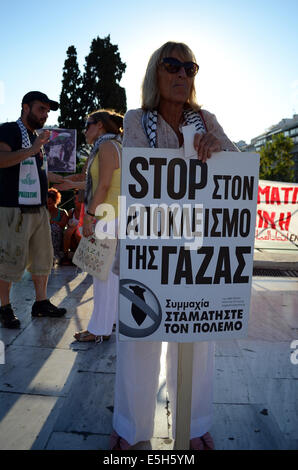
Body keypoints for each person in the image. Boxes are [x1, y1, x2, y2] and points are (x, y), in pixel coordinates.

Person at [110, 42, 239, 450]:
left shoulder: (207, 119)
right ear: (156, 73)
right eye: (173, 65)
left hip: (195, 255)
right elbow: (143, 176)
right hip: (146, 251)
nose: (182, 74)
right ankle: (132, 430)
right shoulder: (135, 120)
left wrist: (216, 149)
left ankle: (194, 423)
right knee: (139, 342)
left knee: (198, 342)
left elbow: (237, 170)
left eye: (190, 67)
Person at [0, 91, 67, 329]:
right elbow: (2, 159)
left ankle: (41, 302)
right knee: (8, 260)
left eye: (48, 111)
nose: (45, 115)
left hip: (38, 208)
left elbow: (35, 170)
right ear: (25, 107)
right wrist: (34, 147)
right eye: (41, 109)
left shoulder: (34, 137)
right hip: (13, 207)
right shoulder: (9, 129)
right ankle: (4, 307)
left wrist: (60, 179)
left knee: (43, 258)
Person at [73, 109, 123, 343]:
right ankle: (108, 322)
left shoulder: (106, 147)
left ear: (100, 125)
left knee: (101, 275)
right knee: (111, 276)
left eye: (88, 124)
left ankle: (98, 329)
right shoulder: (118, 146)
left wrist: (90, 216)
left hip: (106, 215)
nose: (85, 129)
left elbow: (102, 186)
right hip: (116, 215)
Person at [47, 187, 69, 264]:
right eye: (47, 203)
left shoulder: (63, 213)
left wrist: (52, 222)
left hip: (58, 241)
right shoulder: (43, 213)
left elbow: (62, 225)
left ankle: (55, 255)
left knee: (54, 228)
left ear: (55, 201)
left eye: (50, 203)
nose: (48, 205)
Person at [62, 191, 82, 264]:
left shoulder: (86, 212)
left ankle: (80, 256)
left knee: (77, 232)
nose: (75, 201)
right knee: (68, 231)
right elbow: (64, 225)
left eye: (76, 199)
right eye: (74, 199)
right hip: (72, 240)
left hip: (81, 238)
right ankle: (65, 256)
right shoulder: (71, 212)